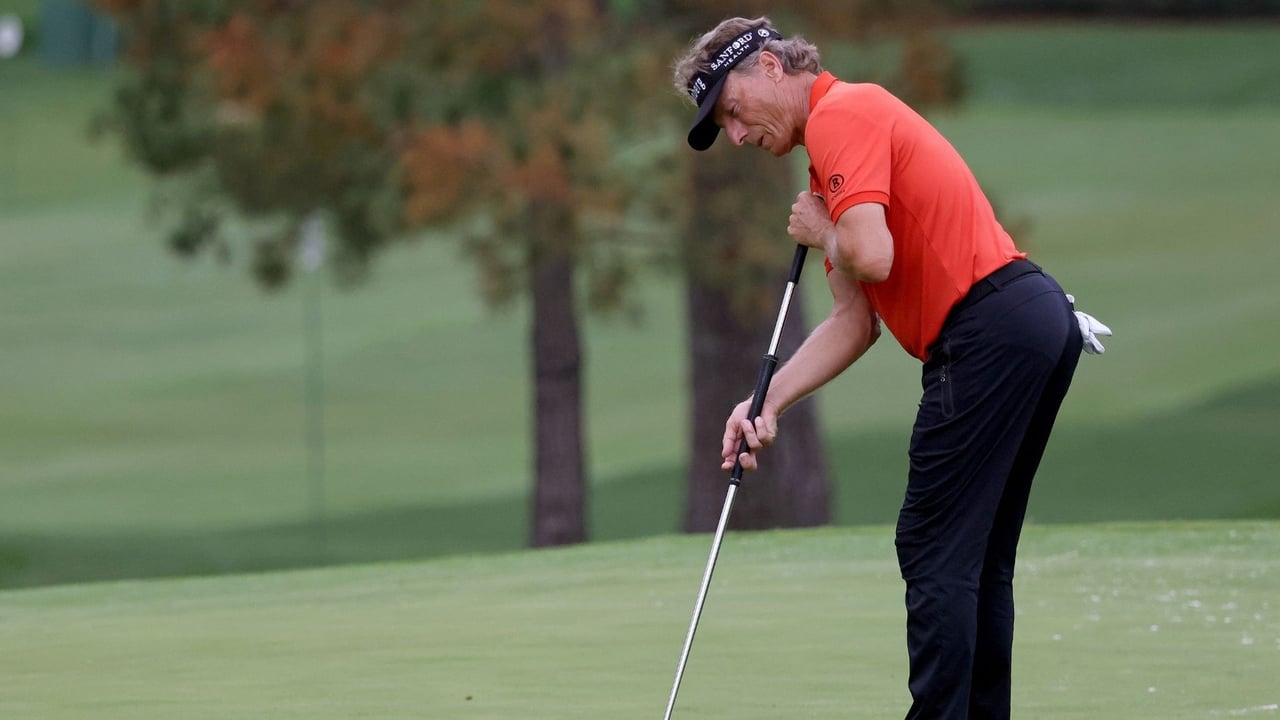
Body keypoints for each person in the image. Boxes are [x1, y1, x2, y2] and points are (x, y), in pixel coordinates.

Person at [672, 16, 1110, 720]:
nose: (737, 135)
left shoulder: (843, 114)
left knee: (933, 546)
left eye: (732, 110)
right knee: (974, 556)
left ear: (770, 69)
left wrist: (825, 232)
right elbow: (856, 320)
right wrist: (766, 403)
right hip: (1026, 325)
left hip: (991, 329)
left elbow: (871, 256)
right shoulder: (829, 160)